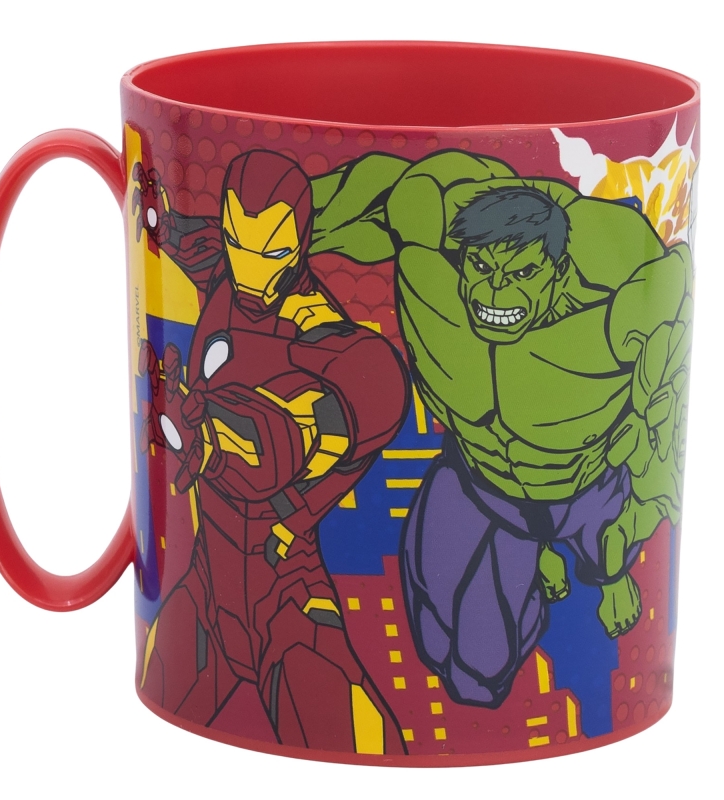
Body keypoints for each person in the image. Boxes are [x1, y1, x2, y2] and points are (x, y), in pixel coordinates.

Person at [309, 149, 691, 707]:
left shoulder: (621, 305)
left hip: (586, 489)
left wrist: (631, 538)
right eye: (483, 270)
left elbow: (664, 428)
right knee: (461, 661)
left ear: (558, 272)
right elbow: (339, 199)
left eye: (523, 274)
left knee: (602, 556)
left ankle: (598, 568)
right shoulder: (426, 240)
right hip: (480, 483)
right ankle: (533, 573)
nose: (494, 294)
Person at [133, 150, 410, 753]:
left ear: (300, 244)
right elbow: (186, 236)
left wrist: (225, 436)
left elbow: (367, 392)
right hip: (205, 586)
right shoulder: (222, 265)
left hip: (285, 595)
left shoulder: (315, 330)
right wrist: (152, 211)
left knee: (358, 746)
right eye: (240, 243)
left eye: (273, 253)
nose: (252, 269)